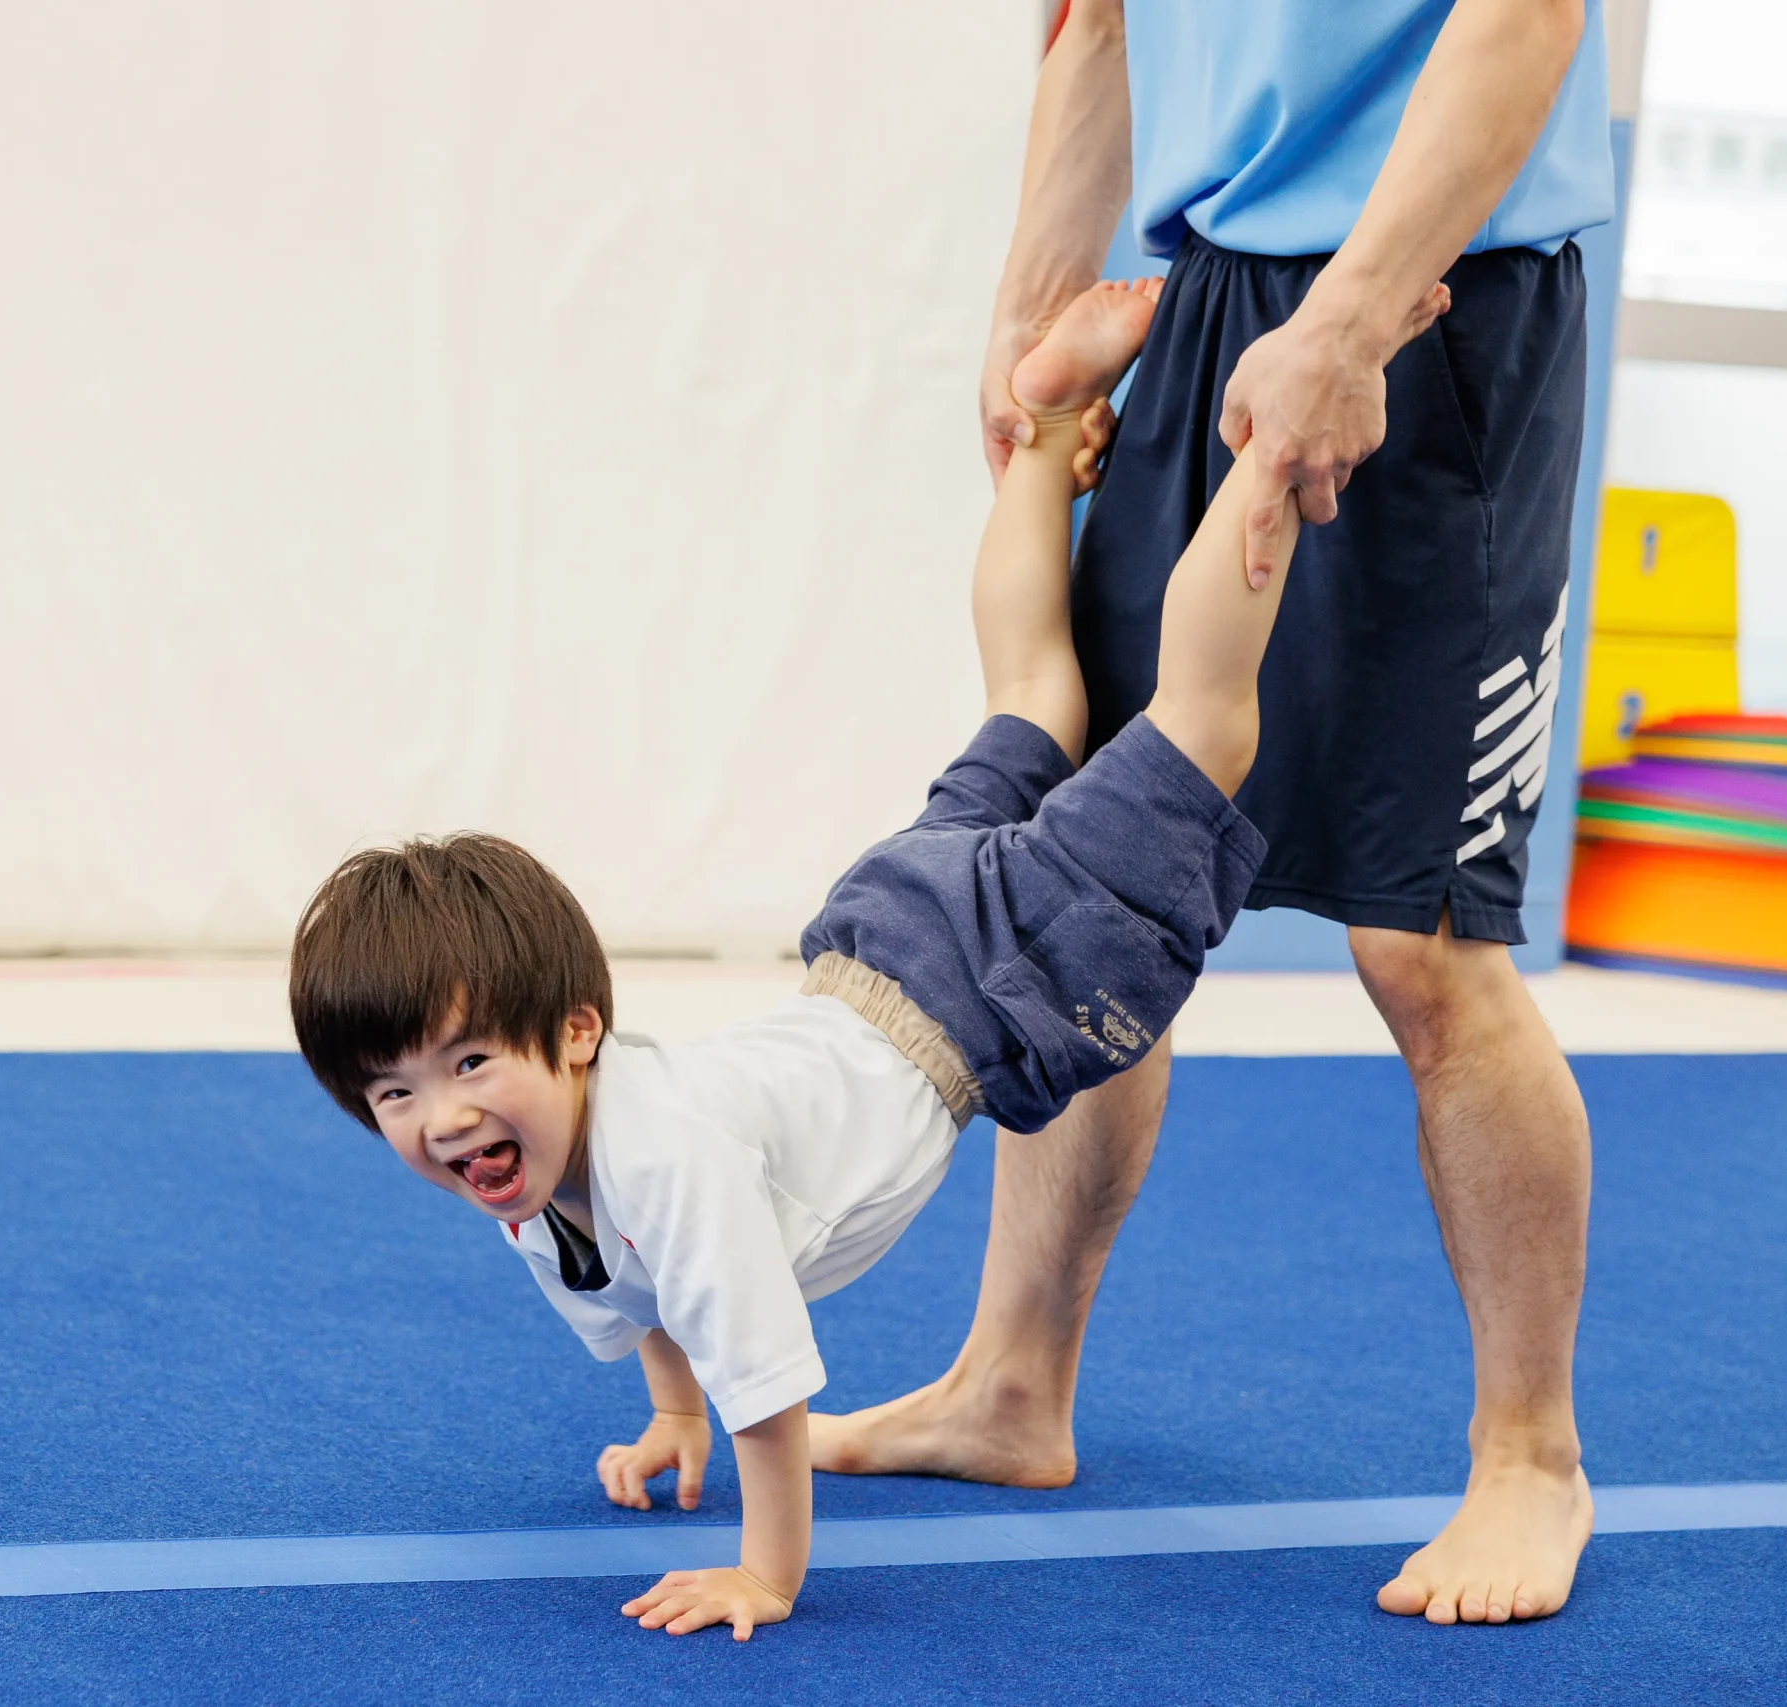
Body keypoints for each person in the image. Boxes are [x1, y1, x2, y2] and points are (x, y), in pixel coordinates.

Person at [289, 274, 1447, 1640]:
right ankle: (1051, 411)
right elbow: (636, 1294)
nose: (446, 1115)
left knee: (1201, 728)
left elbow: (768, 1398)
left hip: (971, 978)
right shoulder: (532, 1175)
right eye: (397, 1093)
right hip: (878, 932)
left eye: (471, 1060)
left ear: (580, 1030)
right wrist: (671, 1417)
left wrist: (764, 1573)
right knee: (1034, 696)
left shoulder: (659, 1163)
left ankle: (1270, 453)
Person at [807, 0, 1610, 1628]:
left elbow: (1528, 11)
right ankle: (1013, 1382)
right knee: (1095, 865)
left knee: (1425, 940)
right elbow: (1099, 18)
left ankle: (1531, 1454)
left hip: (1442, 294)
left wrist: (1356, 320)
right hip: (1202, 294)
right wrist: (1031, 314)